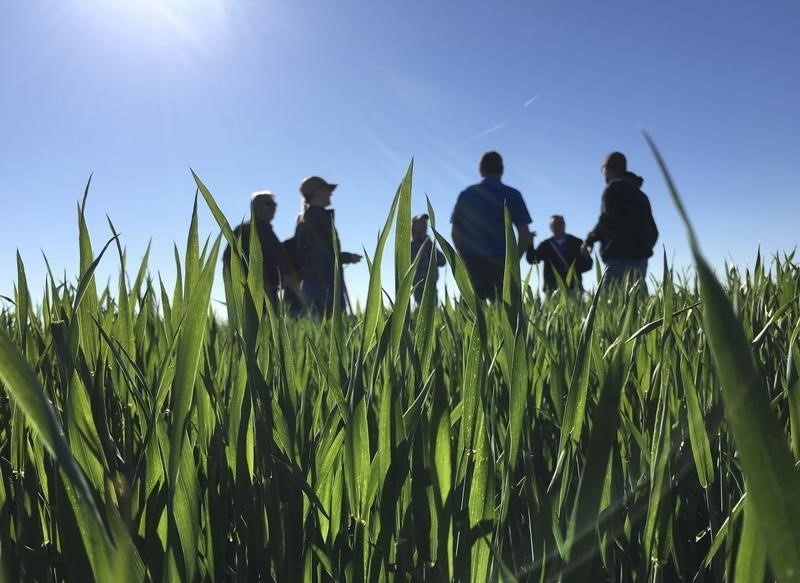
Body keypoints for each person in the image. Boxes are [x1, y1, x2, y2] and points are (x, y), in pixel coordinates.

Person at [451, 151, 533, 300]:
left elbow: (455, 231)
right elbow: (525, 234)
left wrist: (463, 258)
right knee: (505, 314)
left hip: (472, 261)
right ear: (502, 169)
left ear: (481, 170)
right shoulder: (513, 194)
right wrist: (513, 263)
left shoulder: (467, 194)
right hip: (502, 260)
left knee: (474, 314)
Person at [581, 152, 658, 289]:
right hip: (640, 258)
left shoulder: (612, 189)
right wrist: (643, 248)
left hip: (617, 257)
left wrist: (589, 240)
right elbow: (653, 231)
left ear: (608, 168)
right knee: (638, 303)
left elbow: (606, 220)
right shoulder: (641, 195)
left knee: (611, 304)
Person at [294, 175, 362, 314]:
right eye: (327, 189)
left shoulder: (314, 218)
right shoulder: (313, 220)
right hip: (322, 286)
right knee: (331, 328)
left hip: (322, 284)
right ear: (317, 192)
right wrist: (348, 258)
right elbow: (323, 256)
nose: (330, 193)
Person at [222, 191, 301, 307]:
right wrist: (237, 290)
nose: (274, 207)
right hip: (253, 292)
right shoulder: (245, 229)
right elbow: (228, 261)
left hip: (273, 292)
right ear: (255, 206)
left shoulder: (269, 232)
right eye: (269, 204)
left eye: (275, 204)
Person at [526, 214, 592, 294]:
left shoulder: (576, 242)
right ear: (550, 227)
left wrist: (586, 257)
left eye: (561, 223)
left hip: (573, 288)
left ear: (564, 224)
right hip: (552, 289)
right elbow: (532, 260)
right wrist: (530, 243)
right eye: (555, 224)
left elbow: (587, 265)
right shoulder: (546, 245)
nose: (558, 226)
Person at [411, 213, 446, 304]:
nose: (424, 225)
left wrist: (429, 244)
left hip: (432, 287)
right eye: (421, 222)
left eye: (425, 222)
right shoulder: (410, 246)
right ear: (414, 226)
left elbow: (442, 261)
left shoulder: (429, 244)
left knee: (434, 314)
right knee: (421, 313)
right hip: (419, 288)